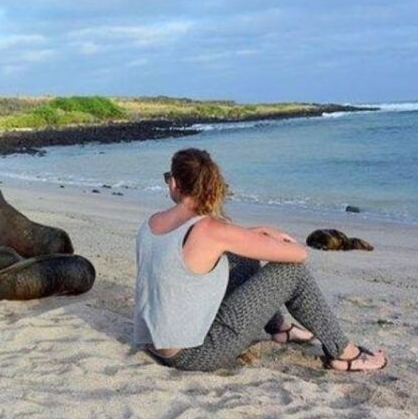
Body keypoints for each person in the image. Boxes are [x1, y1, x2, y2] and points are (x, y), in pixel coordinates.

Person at [134, 148, 387, 372]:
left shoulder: (152, 224)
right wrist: (279, 240)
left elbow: (205, 248)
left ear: (175, 184)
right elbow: (300, 255)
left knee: (240, 258)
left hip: (155, 342)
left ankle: (280, 329)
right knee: (292, 273)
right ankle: (345, 353)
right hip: (194, 354)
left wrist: (255, 233)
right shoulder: (211, 229)